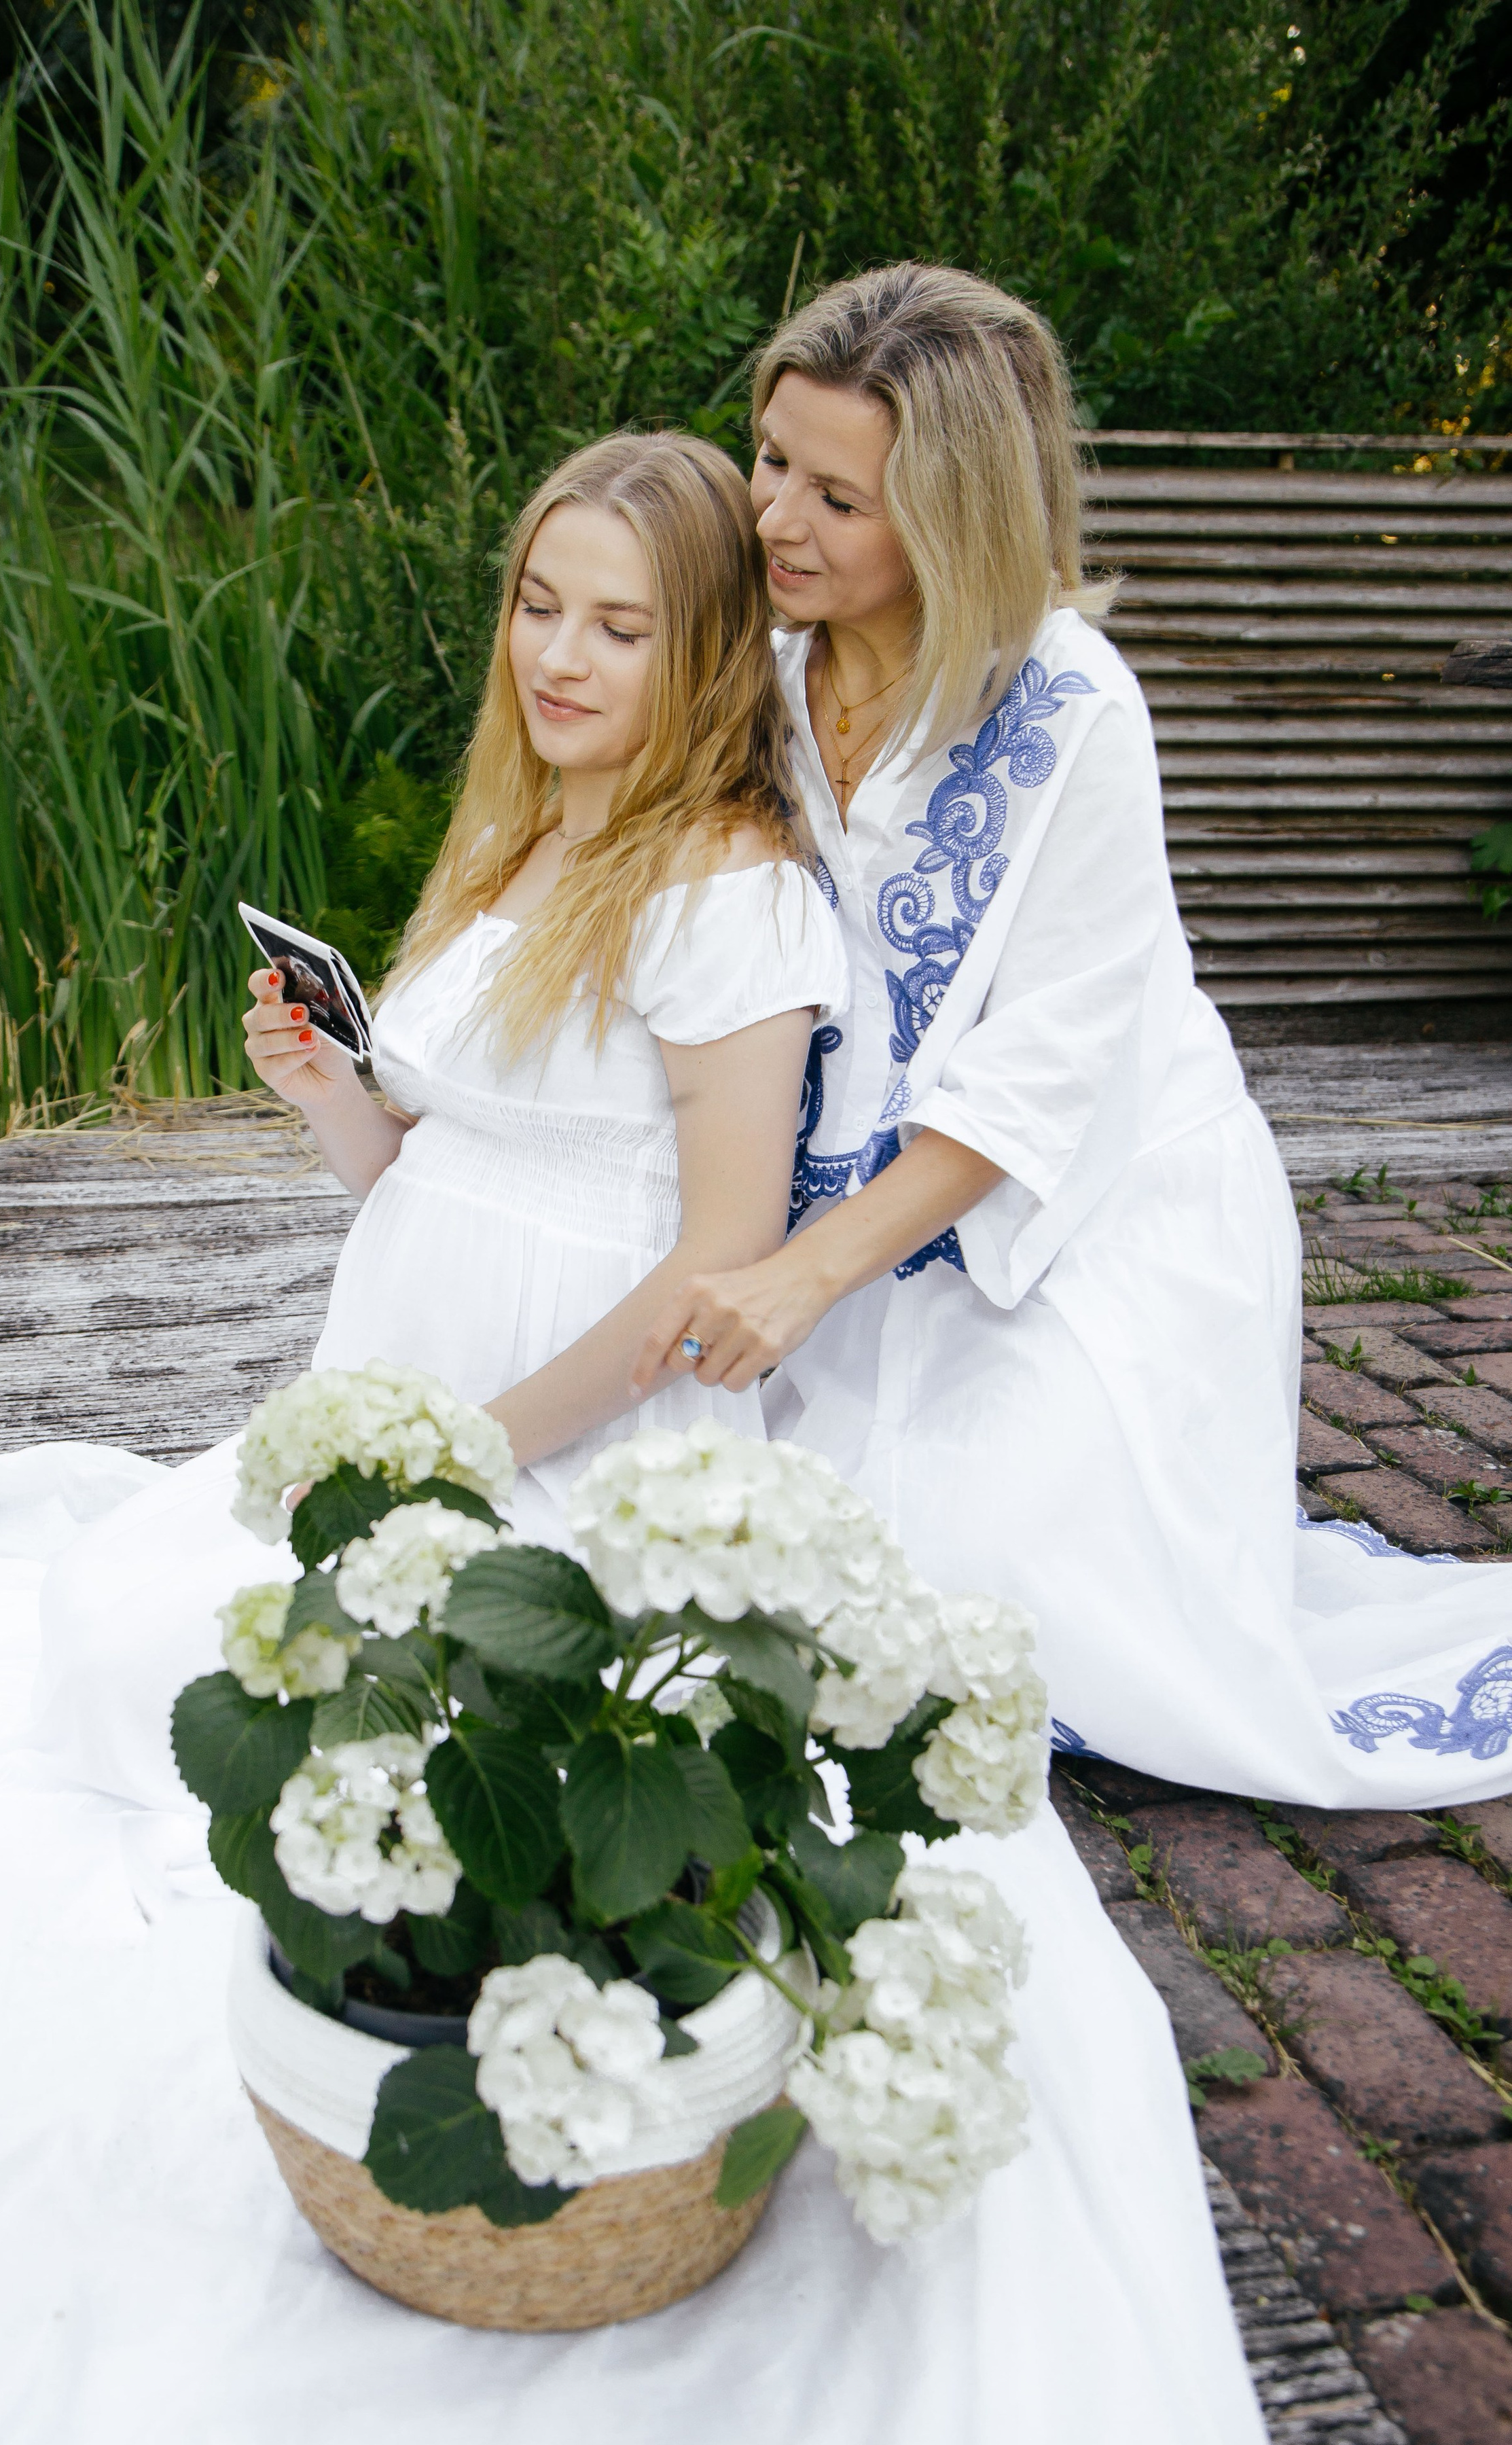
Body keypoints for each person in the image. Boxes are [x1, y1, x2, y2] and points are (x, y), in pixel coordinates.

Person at [0, 422, 1303, 2445]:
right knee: (100, 1614)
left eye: (623, 623)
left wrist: (478, 1452)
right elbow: (434, 1185)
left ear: (703, 653)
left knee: (157, 1664)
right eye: (539, 605)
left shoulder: (727, 893)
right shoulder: (529, 840)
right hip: (400, 1394)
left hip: (557, 1441)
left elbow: (705, 1262)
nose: (564, 654)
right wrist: (334, 1099)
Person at [634, 262, 1512, 1815]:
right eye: (772, 460)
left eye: (839, 498)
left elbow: (1044, 1073)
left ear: (955, 514)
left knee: (996, 1597)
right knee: (755, 1563)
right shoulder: (758, 671)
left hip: (1095, 1206)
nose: (775, 518)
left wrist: (802, 1275)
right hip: (846, 1207)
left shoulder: (1069, 712)